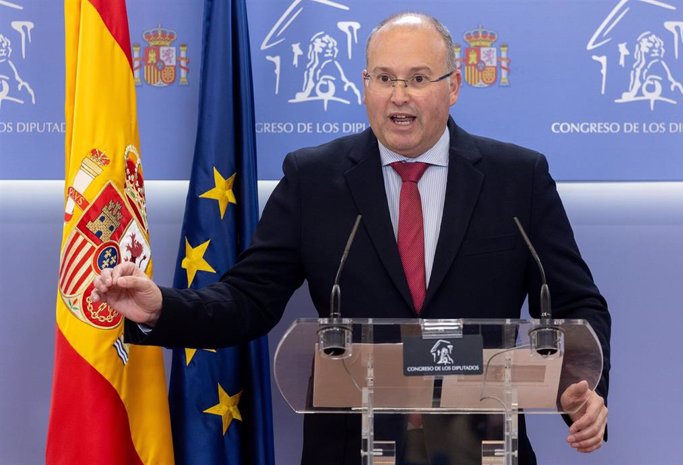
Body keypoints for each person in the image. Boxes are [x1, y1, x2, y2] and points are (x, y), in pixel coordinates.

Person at [93, 12, 610, 465]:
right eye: (384, 78)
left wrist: (580, 389)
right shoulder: (314, 178)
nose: (399, 96)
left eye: (418, 79)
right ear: (364, 84)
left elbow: (578, 301)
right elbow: (248, 299)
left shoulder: (516, 179)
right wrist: (161, 305)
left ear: (453, 87)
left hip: (480, 445)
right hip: (349, 447)